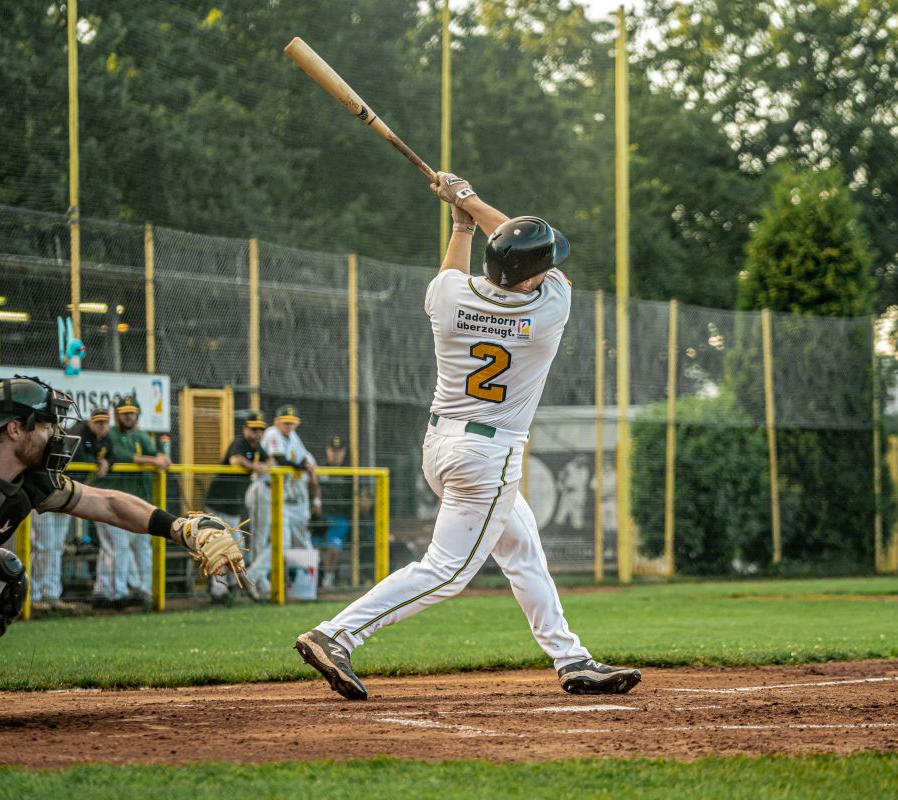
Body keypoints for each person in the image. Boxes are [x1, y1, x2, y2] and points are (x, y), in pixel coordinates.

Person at [295, 172, 641, 700]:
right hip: (488, 455)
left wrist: (461, 224)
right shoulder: (548, 308)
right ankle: (337, 634)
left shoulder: (451, 297)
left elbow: (468, 266)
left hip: (441, 445)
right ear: (528, 278)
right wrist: (471, 201)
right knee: (448, 571)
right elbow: (533, 253)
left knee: (522, 549)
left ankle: (571, 659)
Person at [0, 376, 244, 724]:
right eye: (46, 425)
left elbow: (107, 504)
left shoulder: (26, 477)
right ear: (14, 429)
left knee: (8, 576)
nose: (55, 434)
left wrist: (178, 528)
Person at [31, 407, 111, 613]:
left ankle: (51, 594)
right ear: (90, 422)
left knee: (55, 547)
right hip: (46, 494)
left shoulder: (99, 439)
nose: (101, 427)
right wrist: (96, 461)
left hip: (65, 495)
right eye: (98, 422)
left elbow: (113, 453)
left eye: (104, 423)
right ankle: (34, 595)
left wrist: (105, 461)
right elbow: (76, 458)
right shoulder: (78, 432)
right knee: (43, 546)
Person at [102, 395, 171, 605]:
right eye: (124, 414)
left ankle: (145, 591)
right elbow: (120, 455)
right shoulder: (110, 434)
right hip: (115, 501)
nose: (128, 417)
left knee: (143, 548)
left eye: (132, 413)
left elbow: (160, 456)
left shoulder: (142, 436)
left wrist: (161, 457)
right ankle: (119, 594)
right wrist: (152, 460)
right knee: (120, 548)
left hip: (142, 501)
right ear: (117, 415)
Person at [249, 405, 320, 598]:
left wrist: (305, 466)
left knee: (281, 543)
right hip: (263, 489)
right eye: (285, 423)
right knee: (261, 540)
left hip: (277, 495)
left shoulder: (293, 437)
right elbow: (279, 460)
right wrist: (302, 467)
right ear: (277, 422)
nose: (289, 426)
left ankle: (255, 579)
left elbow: (304, 459)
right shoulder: (272, 433)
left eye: (292, 423)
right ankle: (253, 579)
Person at [205, 410, 272, 603]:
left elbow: (270, 461)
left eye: (260, 430)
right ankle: (219, 591)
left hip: (232, 507)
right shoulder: (240, 443)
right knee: (223, 548)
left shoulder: (257, 447)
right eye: (254, 429)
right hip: (219, 504)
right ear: (245, 429)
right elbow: (236, 460)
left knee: (235, 548)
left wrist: (265, 465)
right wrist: (256, 467)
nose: (258, 433)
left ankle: (231, 587)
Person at [312, 435, 350, 588]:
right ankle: (313, 580)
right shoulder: (320, 469)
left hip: (339, 520)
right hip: (321, 520)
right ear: (327, 451)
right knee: (310, 545)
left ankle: (328, 578)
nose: (335, 454)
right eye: (333, 450)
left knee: (334, 546)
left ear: (343, 452)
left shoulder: (350, 471)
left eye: (339, 451)